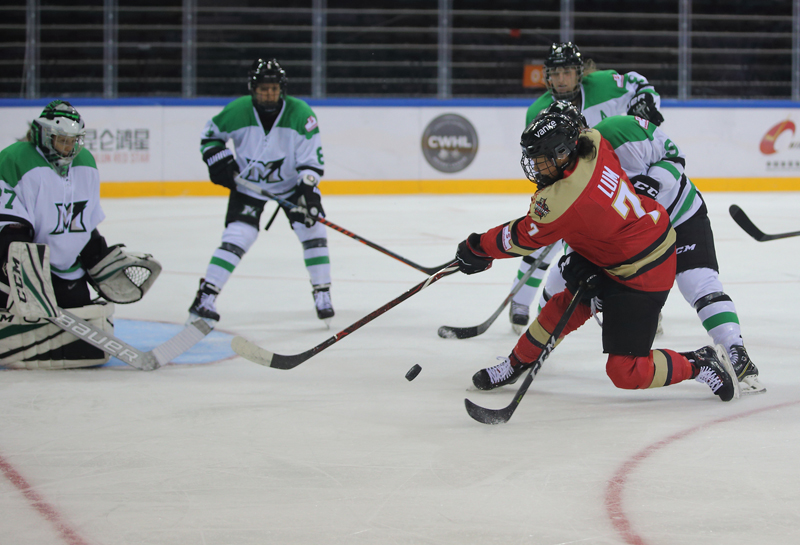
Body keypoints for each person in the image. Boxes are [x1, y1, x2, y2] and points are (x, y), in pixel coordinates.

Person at [454, 109, 738, 402]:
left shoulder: (562, 197)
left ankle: (699, 363)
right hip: (625, 240)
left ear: (563, 154)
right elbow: (581, 220)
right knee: (563, 305)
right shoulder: (593, 142)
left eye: (541, 160)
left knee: (626, 371)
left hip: (644, 270)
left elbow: (522, 237)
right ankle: (516, 363)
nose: (535, 167)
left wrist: (477, 248)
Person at [527, 102, 763, 393]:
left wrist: (654, 181)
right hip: (633, 239)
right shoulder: (562, 177)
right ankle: (535, 349)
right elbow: (575, 228)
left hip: (679, 215)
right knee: (560, 278)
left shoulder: (620, 129)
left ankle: (737, 352)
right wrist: (573, 259)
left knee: (698, 283)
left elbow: (674, 156)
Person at [510, 41, 665, 331]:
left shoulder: (604, 84)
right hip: (571, 186)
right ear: (546, 76)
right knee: (542, 240)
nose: (561, 79)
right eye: (555, 74)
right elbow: (539, 162)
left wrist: (646, 102)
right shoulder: (538, 111)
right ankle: (520, 300)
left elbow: (639, 83)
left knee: (628, 245)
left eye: (567, 72)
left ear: (579, 73)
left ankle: (642, 304)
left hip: (613, 183)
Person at [0, 100, 160, 369]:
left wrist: (97, 253)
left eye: (74, 141)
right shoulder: (14, 159)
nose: (69, 148)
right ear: (44, 135)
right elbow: (11, 229)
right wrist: (23, 275)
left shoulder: (85, 162)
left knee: (83, 350)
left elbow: (83, 223)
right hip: (21, 268)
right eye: (62, 140)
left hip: (66, 271)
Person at [188, 58, 333, 326]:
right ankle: (205, 297)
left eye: (274, 88)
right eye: (264, 88)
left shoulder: (301, 113)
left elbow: (311, 158)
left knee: (314, 230)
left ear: (282, 89)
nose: (269, 93)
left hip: (290, 187)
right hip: (248, 187)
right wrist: (218, 158)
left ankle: (322, 293)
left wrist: (309, 192)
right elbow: (210, 136)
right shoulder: (237, 110)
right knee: (238, 237)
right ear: (253, 88)